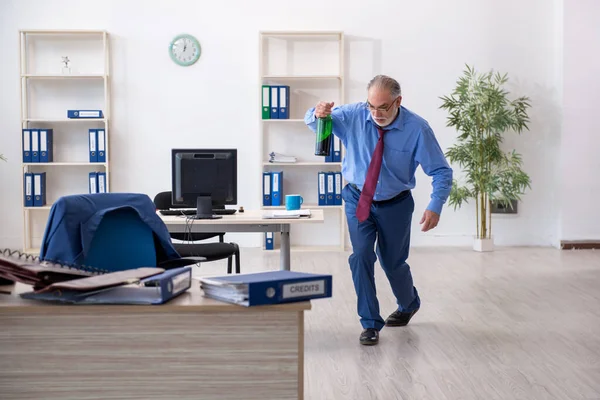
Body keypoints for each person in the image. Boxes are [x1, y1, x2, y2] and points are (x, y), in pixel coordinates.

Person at [304, 75, 453, 345]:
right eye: (371, 106)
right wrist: (318, 112)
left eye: (383, 107)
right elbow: (314, 122)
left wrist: (435, 205)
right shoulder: (353, 115)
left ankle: (409, 303)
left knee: (393, 263)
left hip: (395, 203)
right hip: (357, 198)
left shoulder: (417, 129)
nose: (376, 113)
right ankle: (370, 323)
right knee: (360, 256)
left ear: (398, 101)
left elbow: (441, 171)